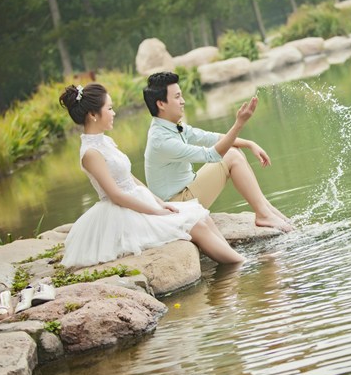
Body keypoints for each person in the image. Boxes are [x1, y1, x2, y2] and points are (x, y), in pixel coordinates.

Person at [58, 83, 245, 268]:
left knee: (201, 216)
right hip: (123, 213)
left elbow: (129, 178)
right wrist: (155, 212)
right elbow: (115, 195)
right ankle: (241, 264)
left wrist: (159, 203)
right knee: (197, 226)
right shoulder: (90, 153)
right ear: (93, 114)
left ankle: (238, 260)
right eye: (110, 108)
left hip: (139, 200)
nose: (114, 113)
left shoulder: (104, 141)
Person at [142, 72, 293, 232]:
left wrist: (249, 144)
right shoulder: (161, 140)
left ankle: (267, 210)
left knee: (233, 150)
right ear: (161, 104)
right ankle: (263, 214)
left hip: (186, 193)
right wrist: (239, 123)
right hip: (176, 206)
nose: (183, 101)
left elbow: (213, 138)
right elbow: (211, 155)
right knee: (232, 155)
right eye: (177, 97)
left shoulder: (171, 126)